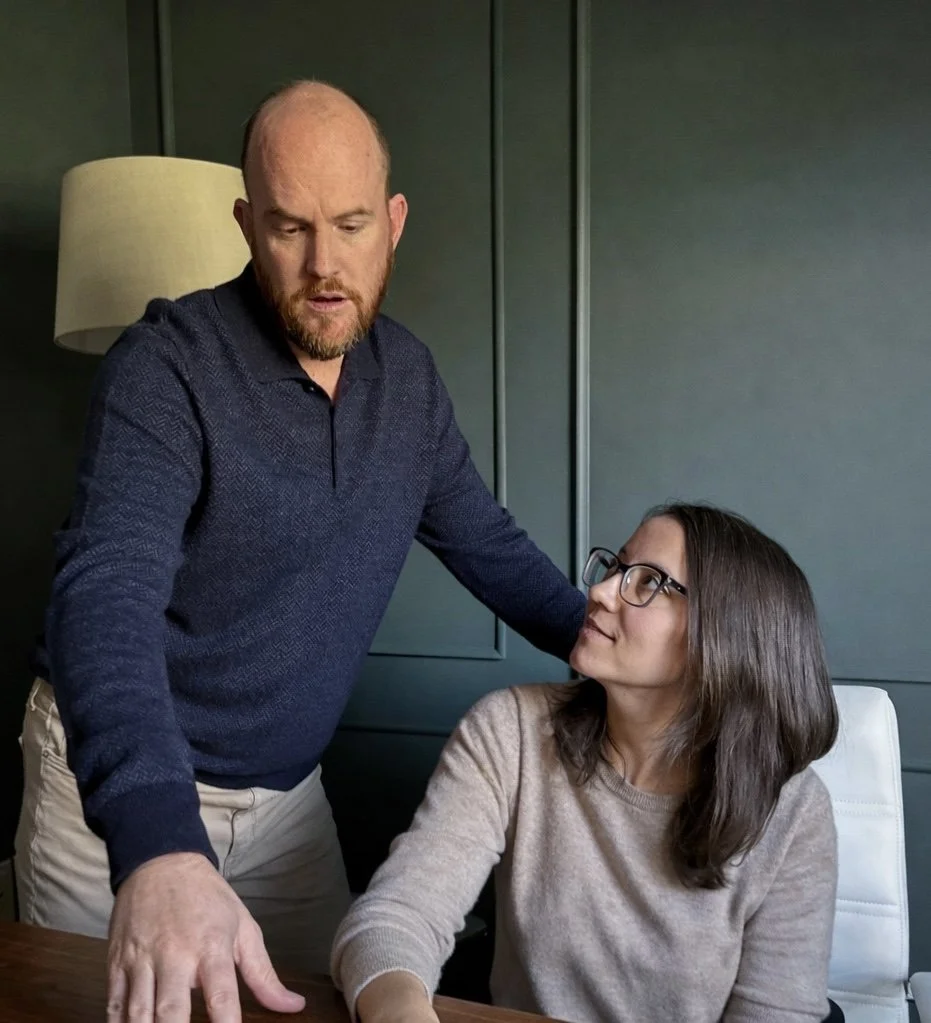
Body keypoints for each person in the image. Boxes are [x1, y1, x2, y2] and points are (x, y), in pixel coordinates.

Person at [14, 80, 586, 1021]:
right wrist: (156, 843)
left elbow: (485, 540)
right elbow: (105, 595)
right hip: (116, 789)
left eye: (352, 225)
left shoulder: (408, 382)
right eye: (289, 228)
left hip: (287, 805)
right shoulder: (165, 366)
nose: (324, 265)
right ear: (246, 223)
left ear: (394, 222)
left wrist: (609, 644)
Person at [332, 503, 841, 1023]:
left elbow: (778, 1012)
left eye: (647, 583)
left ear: (725, 636)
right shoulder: (511, 731)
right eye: (616, 567)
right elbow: (398, 918)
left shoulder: (794, 811)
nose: (598, 592)